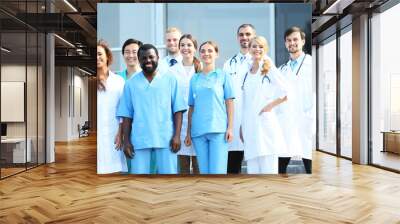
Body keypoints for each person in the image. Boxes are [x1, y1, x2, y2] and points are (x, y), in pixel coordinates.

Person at [117, 44, 186, 174]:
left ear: (158, 58)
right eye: (143, 58)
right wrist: (126, 141)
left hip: (166, 137)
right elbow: (126, 115)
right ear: (139, 59)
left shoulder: (170, 80)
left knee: (169, 179)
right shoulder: (131, 84)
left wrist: (177, 136)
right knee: (139, 180)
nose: (148, 60)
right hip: (139, 138)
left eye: (151, 57)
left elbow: (178, 110)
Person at [185, 41, 235, 174]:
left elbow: (229, 102)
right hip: (198, 131)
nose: (206, 53)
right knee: (204, 173)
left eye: (210, 51)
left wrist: (230, 127)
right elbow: (191, 107)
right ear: (199, 54)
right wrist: (188, 132)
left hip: (218, 130)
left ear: (216, 54)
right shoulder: (194, 79)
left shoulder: (223, 76)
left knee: (217, 173)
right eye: (203, 51)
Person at [241, 36, 288, 174]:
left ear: (265, 49)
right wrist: (241, 126)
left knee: (268, 170)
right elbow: (246, 101)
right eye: (254, 46)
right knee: (252, 170)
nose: (257, 49)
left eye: (261, 46)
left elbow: (286, 92)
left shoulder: (268, 67)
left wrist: (269, 107)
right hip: (249, 126)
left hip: (265, 124)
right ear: (249, 49)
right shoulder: (247, 72)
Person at [277, 26, 314, 174]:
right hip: (286, 120)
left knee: (308, 162)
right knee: (281, 163)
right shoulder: (281, 70)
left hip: (306, 119)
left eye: (295, 39)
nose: (292, 43)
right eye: (288, 40)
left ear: (303, 41)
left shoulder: (311, 64)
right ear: (285, 43)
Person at [223, 24, 256, 174]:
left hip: (255, 121)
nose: (245, 37)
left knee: (256, 169)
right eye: (241, 34)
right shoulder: (228, 64)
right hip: (234, 123)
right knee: (232, 168)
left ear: (253, 36)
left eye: (248, 34)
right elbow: (225, 95)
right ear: (237, 38)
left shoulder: (262, 62)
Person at [169, 34, 201, 174]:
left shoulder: (202, 69)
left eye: (189, 45)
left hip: (199, 123)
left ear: (195, 48)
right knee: (183, 167)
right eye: (182, 45)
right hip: (179, 124)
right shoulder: (172, 71)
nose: (185, 48)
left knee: (199, 166)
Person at [96, 40, 127, 174]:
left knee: (115, 169)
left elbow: (123, 110)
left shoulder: (119, 81)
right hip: (96, 135)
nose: (97, 58)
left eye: (99, 54)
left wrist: (120, 133)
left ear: (107, 56)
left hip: (114, 132)